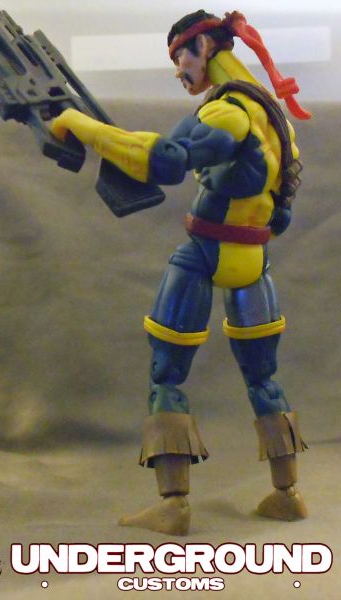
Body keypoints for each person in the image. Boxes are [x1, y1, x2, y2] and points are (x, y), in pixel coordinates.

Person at [51, 9, 310, 535]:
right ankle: (288, 495)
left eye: (179, 56)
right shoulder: (275, 119)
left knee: (166, 375)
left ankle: (174, 506)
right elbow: (281, 212)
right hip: (254, 261)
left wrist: (83, 126)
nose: (178, 70)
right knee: (263, 377)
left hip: (206, 252)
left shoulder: (228, 112)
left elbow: (167, 161)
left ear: (205, 48)